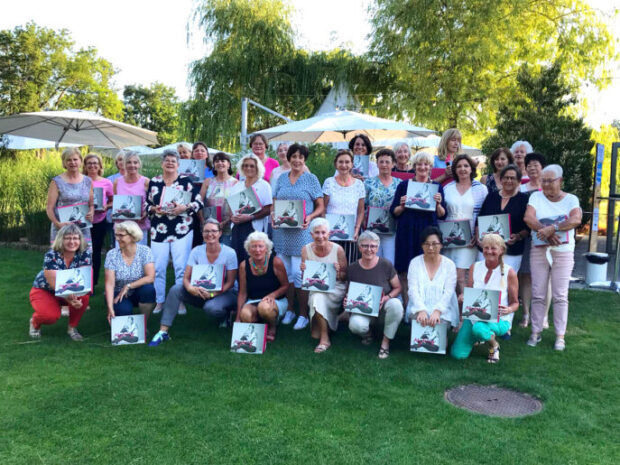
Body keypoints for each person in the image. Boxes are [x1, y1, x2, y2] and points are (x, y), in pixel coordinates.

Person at [149, 219, 239, 346]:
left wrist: (213, 294)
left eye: (214, 231)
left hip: (224, 293)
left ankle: (225, 316)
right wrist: (190, 288)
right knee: (176, 289)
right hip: (200, 291)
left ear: (220, 233)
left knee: (211, 308)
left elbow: (230, 282)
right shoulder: (196, 251)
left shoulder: (229, 253)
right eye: (206, 231)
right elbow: (186, 278)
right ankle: (163, 331)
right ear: (202, 233)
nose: (210, 234)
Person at [524, 164, 582, 351]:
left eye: (550, 181)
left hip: (563, 251)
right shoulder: (536, 197)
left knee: (560, 295)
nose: (546, 184)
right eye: (544, 181)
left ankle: (560, 336)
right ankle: (535, 332)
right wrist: (546, 232)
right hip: (539, 249)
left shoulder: (571, 199)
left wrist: (554, 228)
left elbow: (576, 219)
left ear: (560, 181)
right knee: (538, 293)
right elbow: (529, 218)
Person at [272, 143, 324, 330]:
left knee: (299, 274)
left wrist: (310, 217)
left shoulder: (311, 179)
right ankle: (289, 310)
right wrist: (273, 215)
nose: (296, 160)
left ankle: (303, 313)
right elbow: (275, 201)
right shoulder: (281, 178)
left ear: (304, 159)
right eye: (293, 156)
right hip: (282, 233)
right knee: (285, 275)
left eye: (300, 157)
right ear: (288, 158)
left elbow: (320, 205)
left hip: (301, 233)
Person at [146, 149, 203, 313]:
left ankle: (180, 301)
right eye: (167, 160)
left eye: (173, 161)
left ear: (178, 165)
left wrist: (184, 207)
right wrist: (154, 209)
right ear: (162, 164)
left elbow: (199, 202)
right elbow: (146, 204)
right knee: (158, 268)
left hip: (182, 229)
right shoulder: (154, 181)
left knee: (180, 267)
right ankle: (160, 301)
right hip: (159, 230)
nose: (170, 163)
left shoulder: (186, 181)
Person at [451, 234, 519, 363]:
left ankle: (494, 345)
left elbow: (515, 303)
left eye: (493, 248)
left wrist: (509, 310)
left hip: (500, 319)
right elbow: (469, 293)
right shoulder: (475, 267)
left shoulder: (509, 272)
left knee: (479, 328)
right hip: (474, 317)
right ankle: (478, 337)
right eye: (486, 247)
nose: (489, 251)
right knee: (457, 354)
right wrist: (463, 297)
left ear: (501, 250)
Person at [390, 151, 446, 304]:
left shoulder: (437, 187)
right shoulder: (404, 186)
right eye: (419, 164)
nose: (422, 167)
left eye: (426, 164)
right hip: (407, 233)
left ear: (430, 167)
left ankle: (425, 306)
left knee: (427, 269)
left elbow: (442, 215)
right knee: (405, 270)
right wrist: (402, 205)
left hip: (428, 234)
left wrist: (438, 204)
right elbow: (394, 212)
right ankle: (408, 307)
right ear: (414, 167)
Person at [28, 224, 91, 341]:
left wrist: (76, 298)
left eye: (75, 238)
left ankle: (72, 328)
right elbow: (55, 285)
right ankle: (35, 322)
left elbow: (84, 279)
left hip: (69, 288)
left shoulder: (84, 254)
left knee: (84, 297)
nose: (72, 242)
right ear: (61, 239)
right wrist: (71, 300)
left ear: (80, 240)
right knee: (50, 317)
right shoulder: (51, 255)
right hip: (46, 290)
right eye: (68, 238)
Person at [346, 231, 403, 359]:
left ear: (377, 248)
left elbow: (398, 287)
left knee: (396, 305)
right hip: (364, 310)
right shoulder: (352, 268)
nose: (369, 249)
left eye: (373, 246)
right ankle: (368, 335)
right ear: (359, 247)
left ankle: (385, 342)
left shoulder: (385, 264)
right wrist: (347, 301)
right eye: (365, 245)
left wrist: (386, 298)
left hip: (383, 308)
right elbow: (350, 292)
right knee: (355, 325)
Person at [441, 154, 488, 294]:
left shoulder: (481, 189)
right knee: (449, 275)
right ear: (454, 170)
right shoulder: (447, 188)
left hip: (469, 236)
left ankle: (464, 305)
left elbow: (484, 214)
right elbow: (441, 213)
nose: (462, 169)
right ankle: (453, 305)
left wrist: (478, 234)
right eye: (459, 166)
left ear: (471, 169)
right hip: (449, 237)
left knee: (461, 275)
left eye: (466, 166)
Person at [300, 218, 347, 353]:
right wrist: (303, 271)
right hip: (316, 289)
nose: (320, 236)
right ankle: (330, 326)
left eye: (323, 232)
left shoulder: (338, 250)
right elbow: (305, 279)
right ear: (311, 234)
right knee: (317, 296)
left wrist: (338, 272)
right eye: (317, 232)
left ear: (329, 234)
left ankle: (325, 338)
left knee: (317, 297)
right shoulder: (305, 250)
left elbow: (344, 277)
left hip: (335, 287)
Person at [236, 232, 289, 342]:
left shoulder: (276, 262)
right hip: (254, 300)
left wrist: (272, 295)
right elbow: (242, 292)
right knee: (245, 315)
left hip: (275, 300)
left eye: (260, 246)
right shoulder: (243, 265)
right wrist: (238, 317)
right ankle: (258, 329)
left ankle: (272, 327)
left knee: (264, 308)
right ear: (248, 249)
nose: (257, 250)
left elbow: (285, 286)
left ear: (267, 248)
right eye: (253, 246)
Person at [477, 165, 529, 273]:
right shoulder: (491, 197)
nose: (509, 181)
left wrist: (518, 236)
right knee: (484, 278)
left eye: (512, 178)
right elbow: (479, 219)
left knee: (505, 280)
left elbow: (528, 227)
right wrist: (479, 239)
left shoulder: (524, 199)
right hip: (487, 248)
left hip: (511, 250)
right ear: (501, 180)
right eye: (506, 177)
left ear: (519, 181)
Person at [407, 226, 459, 328]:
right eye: (427, 244)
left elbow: (449, 291)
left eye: (435, 244)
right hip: (419, 307)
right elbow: (413, 290)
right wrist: (421, 310)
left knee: (438, 324)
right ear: (422, 245)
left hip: (443, 309)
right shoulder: (414, 263)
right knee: (420, 323)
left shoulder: (449, 265)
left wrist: (438, 311)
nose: (430, 248)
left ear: (441, 245)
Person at [104, 221, 156, 322]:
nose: (117, 238)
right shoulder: (112, 254)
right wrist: (110, 307)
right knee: (124, 311)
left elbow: (150, 277)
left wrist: (128, 286)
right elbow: (109, 284)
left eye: (121, 235)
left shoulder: (145, 251)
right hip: (118, 293)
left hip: (138, 290)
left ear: (132, 236)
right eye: (116, 235)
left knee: (148, 290)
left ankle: (143, 324)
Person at [323, 149, 366, 263]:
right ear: (335, 164)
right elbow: (323, 208)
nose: (344, 165)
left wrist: (357, 229)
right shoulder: (329, 182)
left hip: (351, 233)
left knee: (350, 264)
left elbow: (361, 211)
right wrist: (325, 230)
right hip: (331, 233)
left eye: (347, 162)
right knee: (331, 266)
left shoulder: (359, 184)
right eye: (341, 162)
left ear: (352, 164)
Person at [230, 154, 273, 263]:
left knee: (253, 258)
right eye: (245, 165)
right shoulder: (237, 186)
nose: (248, 168)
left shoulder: (264, 185)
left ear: (257, 168)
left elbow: (269, 209)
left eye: (252, 166)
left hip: (254, 227)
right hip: (237, 227)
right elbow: (231, 207)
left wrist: (251, 217)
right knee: (237, 257)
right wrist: (232, 217)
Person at [46, 147, 94, 244]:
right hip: (62, 229)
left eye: (75, 159)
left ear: (80, 161)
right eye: (69, 160)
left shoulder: (88, 181)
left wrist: (91, 212)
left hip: (83, 228)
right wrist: (57, 223)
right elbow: (49, 208)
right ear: (64, 163)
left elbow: (91, 204)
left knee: (83, 253)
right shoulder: (56, 182)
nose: (72, 162)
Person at [364, 148, 402, 264]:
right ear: (377, 164)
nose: (384, 165)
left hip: (391, 229)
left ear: (393, 164)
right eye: (381, 162)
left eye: (387, 162)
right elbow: (363, 205)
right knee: (372, 261)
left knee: (389, 262)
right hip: (372, 230)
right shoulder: (368, 183)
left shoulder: (400, 183)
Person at [83, 153, 113, 288]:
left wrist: (106, 206)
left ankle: (93, 283)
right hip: (82, 223)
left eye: (95, 163)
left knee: (95, 253)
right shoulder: (80, 180)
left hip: (99, 222)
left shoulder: (106, 182)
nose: (92, 165)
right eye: (89, 163)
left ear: (100, 166)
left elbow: (113, 200)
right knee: (81, 252)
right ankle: (81, 281)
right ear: (85, 166)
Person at [199, 152, 238, 247]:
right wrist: (203, 221)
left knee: (225, 252)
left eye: (223, 161)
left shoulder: (236, 183)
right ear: (214, 165)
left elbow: (237, 207)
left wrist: (225, 222)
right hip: (209, 227)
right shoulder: (207, 182)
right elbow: (199, 202)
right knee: (208, 252)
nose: (220, 163)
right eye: (217, 161)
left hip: (227, 227)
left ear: (228, 164)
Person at [113, 151, 150, 245]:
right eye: (129, 162)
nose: (132, 165)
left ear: (139, 165)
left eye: (135, 162)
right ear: (124, 165)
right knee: (121, 253)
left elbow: (151, 203)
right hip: (121, 227)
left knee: (139, 253)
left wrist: (145, 213)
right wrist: (115, 213)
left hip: (139, 227)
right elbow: (115, 202)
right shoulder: (117, 182)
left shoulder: (146, 182)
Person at [105, 151, 126, 245]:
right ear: (116, 163)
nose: (122, 162)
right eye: (120, 159)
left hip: (133, 217)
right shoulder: (110, 179)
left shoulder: (137, 179)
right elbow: (106, 199)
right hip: (113, 217)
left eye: (125, 159)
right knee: (115, 244)